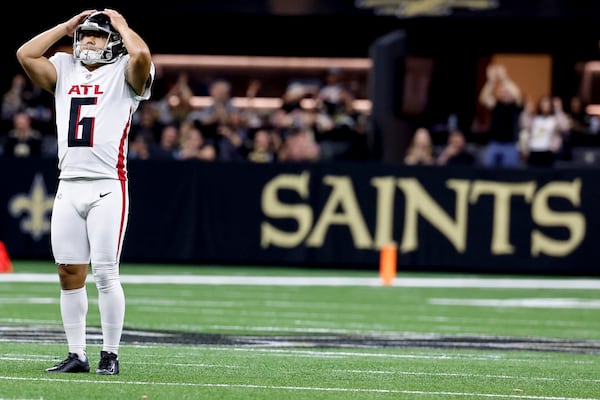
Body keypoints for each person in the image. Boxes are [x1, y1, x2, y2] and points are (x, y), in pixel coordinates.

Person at [16, 8, 154, 375]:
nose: (88, 40)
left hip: (108, 185)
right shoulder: (63, 67)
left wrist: (123, 25)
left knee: (106, 272)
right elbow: (25, 54)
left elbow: (141, 56)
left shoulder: (125, 70)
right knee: (68, 272)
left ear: (113, 42)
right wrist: (64, 26)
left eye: (97, 35)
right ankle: (77, 354)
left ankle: (110, 354)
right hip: (68, 184)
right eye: (85, 34)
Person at [478, 63, 523, 168]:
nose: (504, 91)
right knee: (488, 172)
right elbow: (483, 98)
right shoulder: (496, 104)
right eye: (502, 89)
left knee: (508, 174)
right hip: (494, 143)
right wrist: (491, 81)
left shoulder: (515, 106)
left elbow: (517, 94)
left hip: (510, 145)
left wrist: (504, 78)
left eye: (506, 90)